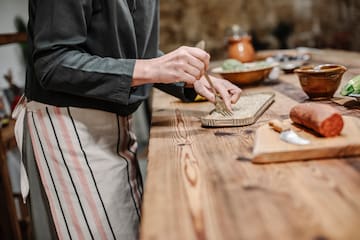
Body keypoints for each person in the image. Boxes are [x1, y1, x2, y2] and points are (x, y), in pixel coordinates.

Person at [14, 0, 242, 239]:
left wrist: (188, 79)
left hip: (117, 128)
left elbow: (133, 52)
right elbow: (53, 63)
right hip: (70, 130)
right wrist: (153, 68)